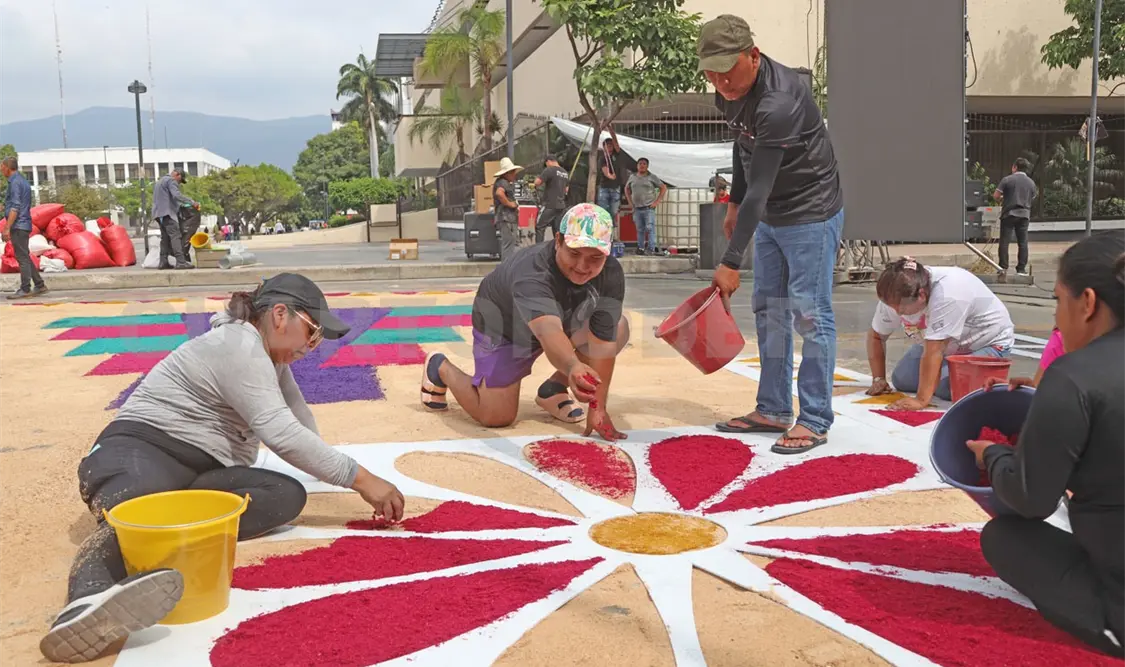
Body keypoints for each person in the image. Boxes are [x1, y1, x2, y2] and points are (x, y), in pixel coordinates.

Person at [40, 273, 405, 664]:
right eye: (312, 332)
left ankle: (165, 541)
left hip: (199, 471)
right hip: (140, 448)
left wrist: (323, 463)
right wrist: (363, 480)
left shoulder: (267, 356)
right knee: (135, 514)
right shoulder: (238, 345)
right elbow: (280, 432)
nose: (312, 346)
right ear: (280, 315)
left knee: (284, 495)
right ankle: (84, 601)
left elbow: (298, 418)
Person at [966, 231, 1125, 659]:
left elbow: (1031, 499)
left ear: (1087, 303)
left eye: (1058, 301)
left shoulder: (1074, 375)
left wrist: (994, 454)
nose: (1056, 316)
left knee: (1004, 536)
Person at [701, 14, 845, 454]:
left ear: (754, 55)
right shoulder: (729, 92)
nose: (722, 83)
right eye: (712, 73)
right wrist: (733, 203)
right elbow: (742, 146)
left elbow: (762, 184)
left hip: (810, 210)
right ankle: (773, 408)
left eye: (729, 71)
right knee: (770, 310)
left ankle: (816, 417)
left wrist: (729, 260)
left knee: (808, 312)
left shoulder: (779, 101)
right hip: (770, 213)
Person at [420, 203, 629, 441]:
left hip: (562, 317)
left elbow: (603, 341)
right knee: (495, 416)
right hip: (505, 325)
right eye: (574, 253)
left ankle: (554, 389)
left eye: (594, 258)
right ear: (558, 241)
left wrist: (598, 407)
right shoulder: (533, 272)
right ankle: (440, 368)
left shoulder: (610, 272)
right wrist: (572, 366)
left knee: (618, 327)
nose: (583, 266)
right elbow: (548, 332)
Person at [865, 257, 1014, 408]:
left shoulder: (948, 292)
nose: (897, 312)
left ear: (921, 295)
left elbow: (935, 350)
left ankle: (997, 382)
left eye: (902, 309)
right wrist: (879, 379)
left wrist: (921, 400)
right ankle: (950, 372)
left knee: (947, 388)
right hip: (947, 345)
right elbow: (876, 336)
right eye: (892, 307)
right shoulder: (895, 294)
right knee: (902, 379)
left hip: (988, 342)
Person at [1, 156, 47, 299]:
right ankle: (39, 284)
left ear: (8, 167)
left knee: (22, 257)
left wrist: (7, 228)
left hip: (18, 225)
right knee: (25, 256)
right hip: (23, 223)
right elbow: (13, 205)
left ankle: (25, 288)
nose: (1, 169)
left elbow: (15, 207)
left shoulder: (15, 183)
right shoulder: (22, 181)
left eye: (2, 166)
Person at [993, 157, 1037, 277]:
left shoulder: (1007, 180)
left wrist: (1004, 198)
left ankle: (1003, 267)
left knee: (1004, 242)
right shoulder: (1031, 183)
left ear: (1014, 167)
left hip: (1009, 214)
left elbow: (996, 195)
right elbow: (1032, 197)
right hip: (1024, 215)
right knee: (1023, 242)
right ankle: (1021, 269)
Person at [152, 167, 198, 270]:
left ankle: (163, 262)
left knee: (165, 238)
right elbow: (176, 195)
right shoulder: (171, 181)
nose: (179, 183)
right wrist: (191, 202)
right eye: (180, 180)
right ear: (177, 175)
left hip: (158, 214)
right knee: (175, 236)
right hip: (167, 214)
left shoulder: (160, 181)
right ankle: (181, 262)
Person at [625, 157, 667, 255]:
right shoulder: (632, 177)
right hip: (637, 208)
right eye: (640, 164)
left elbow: (663, 187)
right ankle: (641, 248)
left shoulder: (652, 177)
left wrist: (657, 201)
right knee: (640, 229)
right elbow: (626, 189)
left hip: (648, 207)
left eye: (644, 164)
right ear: (637, 165)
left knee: (650, 228)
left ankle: (651, 249)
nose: (642, 165)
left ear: (647, 166)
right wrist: (630, 203)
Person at [534, 155, 569, 243]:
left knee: (540, 227)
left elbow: (537, 182)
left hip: (549, 204)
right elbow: (566, 190)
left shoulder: (549, 170)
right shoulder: (565, 173)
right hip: (561, 206)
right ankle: (557, 250)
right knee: (557, 231)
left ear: (548, 161)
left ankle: (538, 250)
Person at [493, 157, 523, 260]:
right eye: (513, 172)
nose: (514, 174)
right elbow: (499, 193)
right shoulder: (503, 182)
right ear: (507, 173)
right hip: (507, 218)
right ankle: (506, 270)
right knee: (508, 246)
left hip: (508, 218)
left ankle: (508, 269)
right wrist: (510, 204)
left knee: (510, 245)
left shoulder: (503, 182)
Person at [595, 129, 623, 228]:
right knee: (603, 209)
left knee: (614, 210)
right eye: (607, 145)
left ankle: (611, 224)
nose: (610, 146)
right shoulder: (602, 158)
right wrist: (610, 176)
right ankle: (605, 227)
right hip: (604, 187)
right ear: (604, 147)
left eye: (611, 145)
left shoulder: (617, 155)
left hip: (615, 188)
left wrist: (611, 130)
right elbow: (605, 169)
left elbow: (616, 142)